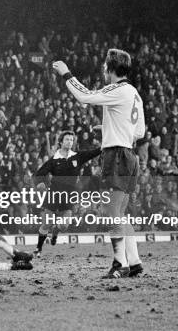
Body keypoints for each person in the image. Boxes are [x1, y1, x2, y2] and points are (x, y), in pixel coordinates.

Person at [52, 48, 145, 278]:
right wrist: (109, 129)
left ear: (111, 68)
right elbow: (139, 132)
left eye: (105, 66)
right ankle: (134, 263)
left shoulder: (117, 88)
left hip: (116, 157)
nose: (103, 69)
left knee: (111, 213)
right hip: (130, 156)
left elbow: (85, 96)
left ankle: (119, 264)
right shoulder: (134, 93)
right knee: (120, 214)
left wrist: (66, 74)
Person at [34, 130, 101, 257]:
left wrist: (106, 145)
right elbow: (39, 174)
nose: (70, 142)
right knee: (46, 223)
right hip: (54, 194)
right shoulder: (54, 160)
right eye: (67, 139)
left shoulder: (77, 156)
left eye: (71, 140)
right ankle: (38, 248)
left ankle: (56, 230)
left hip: (69, 196)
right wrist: (40, 184)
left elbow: (94, 152)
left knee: (64, 226)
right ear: (60, 142)